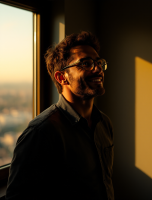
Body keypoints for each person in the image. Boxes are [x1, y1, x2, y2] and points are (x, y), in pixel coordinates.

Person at [5, 31, 114, 200]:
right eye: (86, 63)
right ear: (62, 77)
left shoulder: (104, 123)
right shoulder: (41, 133)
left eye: (99, 62)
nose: (98, 68)